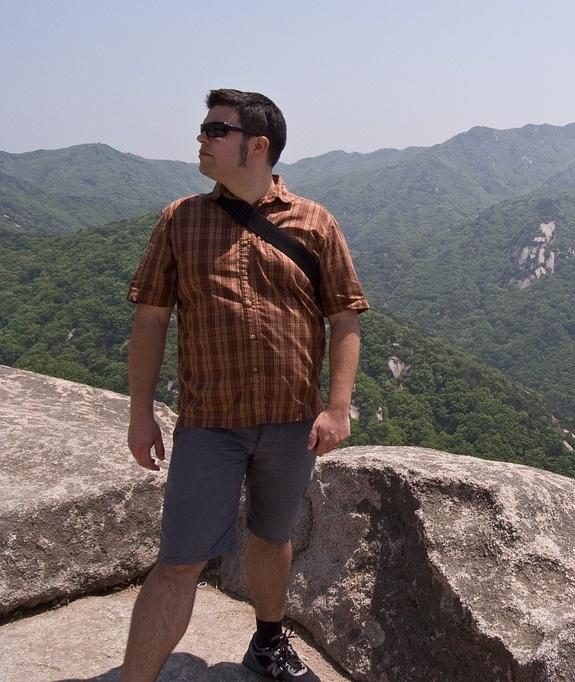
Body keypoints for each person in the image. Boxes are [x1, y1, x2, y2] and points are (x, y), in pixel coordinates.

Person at [123, 88, 368, 681]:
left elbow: (344, 317)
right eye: (204, 129)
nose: (201, 139)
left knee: (271, 537)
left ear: (256, 146)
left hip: (290, 420)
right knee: (180, 562)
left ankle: (267, 640)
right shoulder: (181, 221)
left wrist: (338, 407)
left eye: (214, 130)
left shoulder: (315, 223)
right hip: (210, 421)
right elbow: (151, 319)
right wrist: (140, 412)